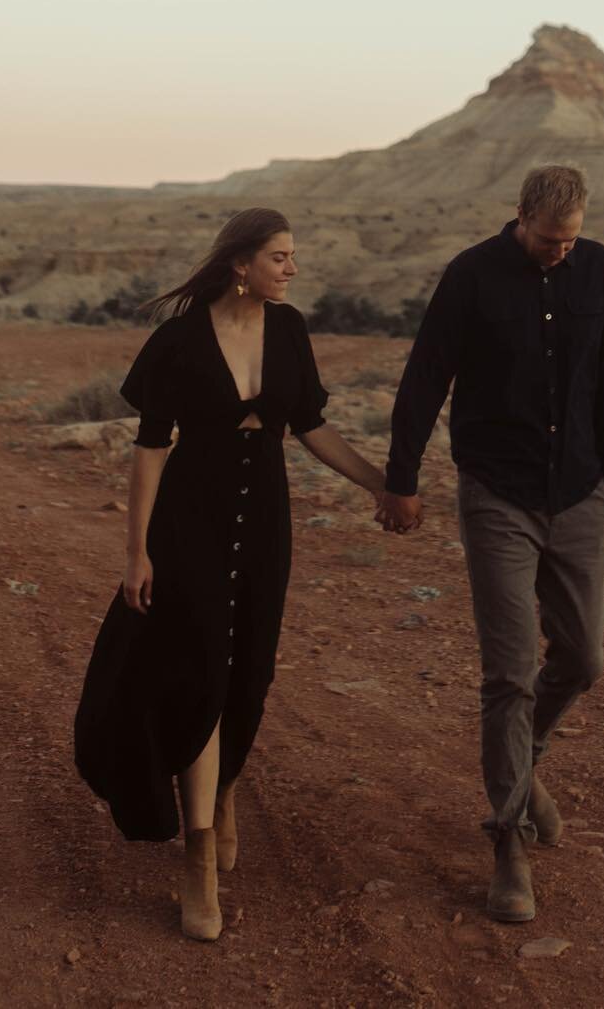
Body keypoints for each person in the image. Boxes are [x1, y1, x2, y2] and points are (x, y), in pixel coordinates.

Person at [73, 208, 387, 942]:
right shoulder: (179, 340)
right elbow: (151, 448)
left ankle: (226, 785)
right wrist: (137, 551)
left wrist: (380, 484)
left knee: (249, 675)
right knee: (203, 677)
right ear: (240, 263)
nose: (293, 267)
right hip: (191, 522)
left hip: (266, 521)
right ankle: (198, 858)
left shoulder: (291, 329)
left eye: (293, 256)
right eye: (280, 256)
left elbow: (311, 425)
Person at [376, 165, 604, 924]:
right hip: (497, 492)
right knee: (510, 671)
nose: (560, 252)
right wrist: (402, 477)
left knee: (583, 658)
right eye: (549, 240)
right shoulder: (471, 275)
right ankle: (508, 839)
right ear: (519, 216)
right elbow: (427, 376)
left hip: (582, 493)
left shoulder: (598, 267)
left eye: (571, 240)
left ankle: (526, 759)